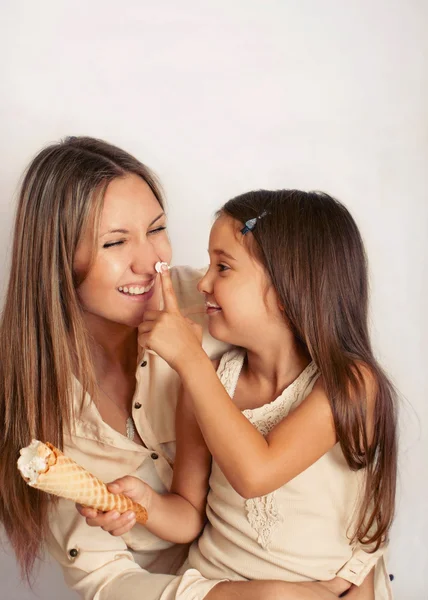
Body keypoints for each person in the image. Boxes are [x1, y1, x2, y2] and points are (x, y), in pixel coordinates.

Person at [0, 137, 370, 600]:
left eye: (157, 229)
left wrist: (364, 566)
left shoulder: (222, 302)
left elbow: (346, 444)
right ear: (55, 263)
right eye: (114, 241)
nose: (151, 261)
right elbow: (110, 579)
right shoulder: (33, 401)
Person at [89, 190, 397, 599]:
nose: (203, 282)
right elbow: (187, 515)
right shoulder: (210, 381)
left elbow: (257, 475)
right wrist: (141, 502)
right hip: (220, 587)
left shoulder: (351, 386)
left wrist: (189, 358)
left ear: (290, 289)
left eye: (223, 267)